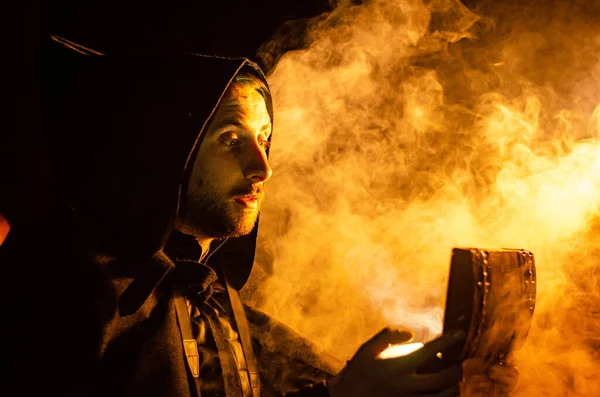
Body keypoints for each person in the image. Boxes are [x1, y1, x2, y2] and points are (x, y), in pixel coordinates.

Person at [0, 35, 516, 397]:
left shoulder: (213, 299)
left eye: (264, 139)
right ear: (160, 148)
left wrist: (428, 383)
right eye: (231, 140)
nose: (263, 167)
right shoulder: (60, 288)